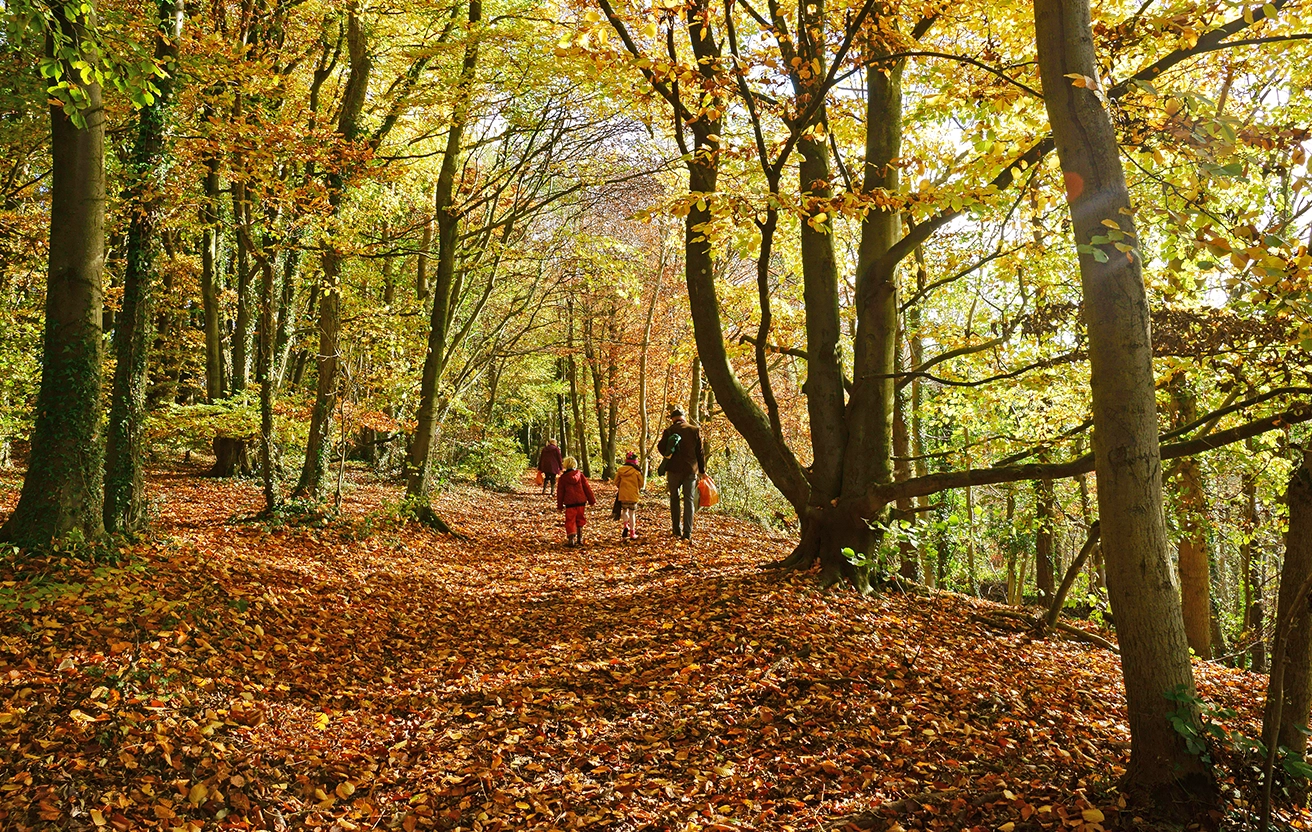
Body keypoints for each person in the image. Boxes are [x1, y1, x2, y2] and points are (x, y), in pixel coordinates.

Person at [658, 407, 704, 540]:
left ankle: (676, 529)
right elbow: (700, 453)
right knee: (689, 499)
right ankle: (687, 533)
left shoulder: (669, 431)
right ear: (684, 417)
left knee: (674, 498)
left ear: (673, 419)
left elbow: (661, 448)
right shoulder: (694, 430)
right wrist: (702, 471)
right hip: (690, 470)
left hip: (673, 470)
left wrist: (669, 454)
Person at [556, 456, 595, 547]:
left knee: (570, 520)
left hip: (570, 503)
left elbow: (560, 493)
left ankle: (571, 540)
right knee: (580, 519)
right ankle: (580, 539)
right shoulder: (580, 475)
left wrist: (560, 506)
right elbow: (587, 488)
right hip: (581, 502)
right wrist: (591, 500)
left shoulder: (563, 478)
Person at [615, 451, 645, 541]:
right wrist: (636, 488)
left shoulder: (621, 470)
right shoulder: (637, 472)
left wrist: (621, 487)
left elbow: (616, 482)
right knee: (632, 513)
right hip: (633, 495)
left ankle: (625, 526)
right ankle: (632, 533)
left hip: (623, 495)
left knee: (625, 511)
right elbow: (641, 484)